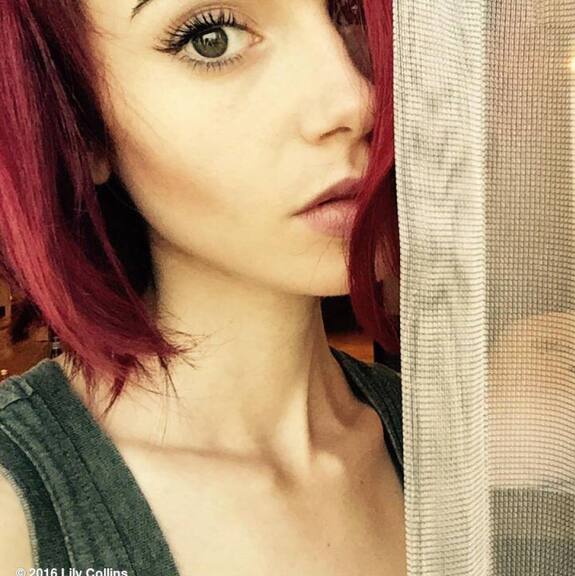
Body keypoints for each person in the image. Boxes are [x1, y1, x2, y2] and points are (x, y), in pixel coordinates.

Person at [0, 0, 404, 574]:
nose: (357, 100)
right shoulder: (15, 514)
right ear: (82, 126)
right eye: (211, 38)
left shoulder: (457, 446)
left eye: (352, 11)